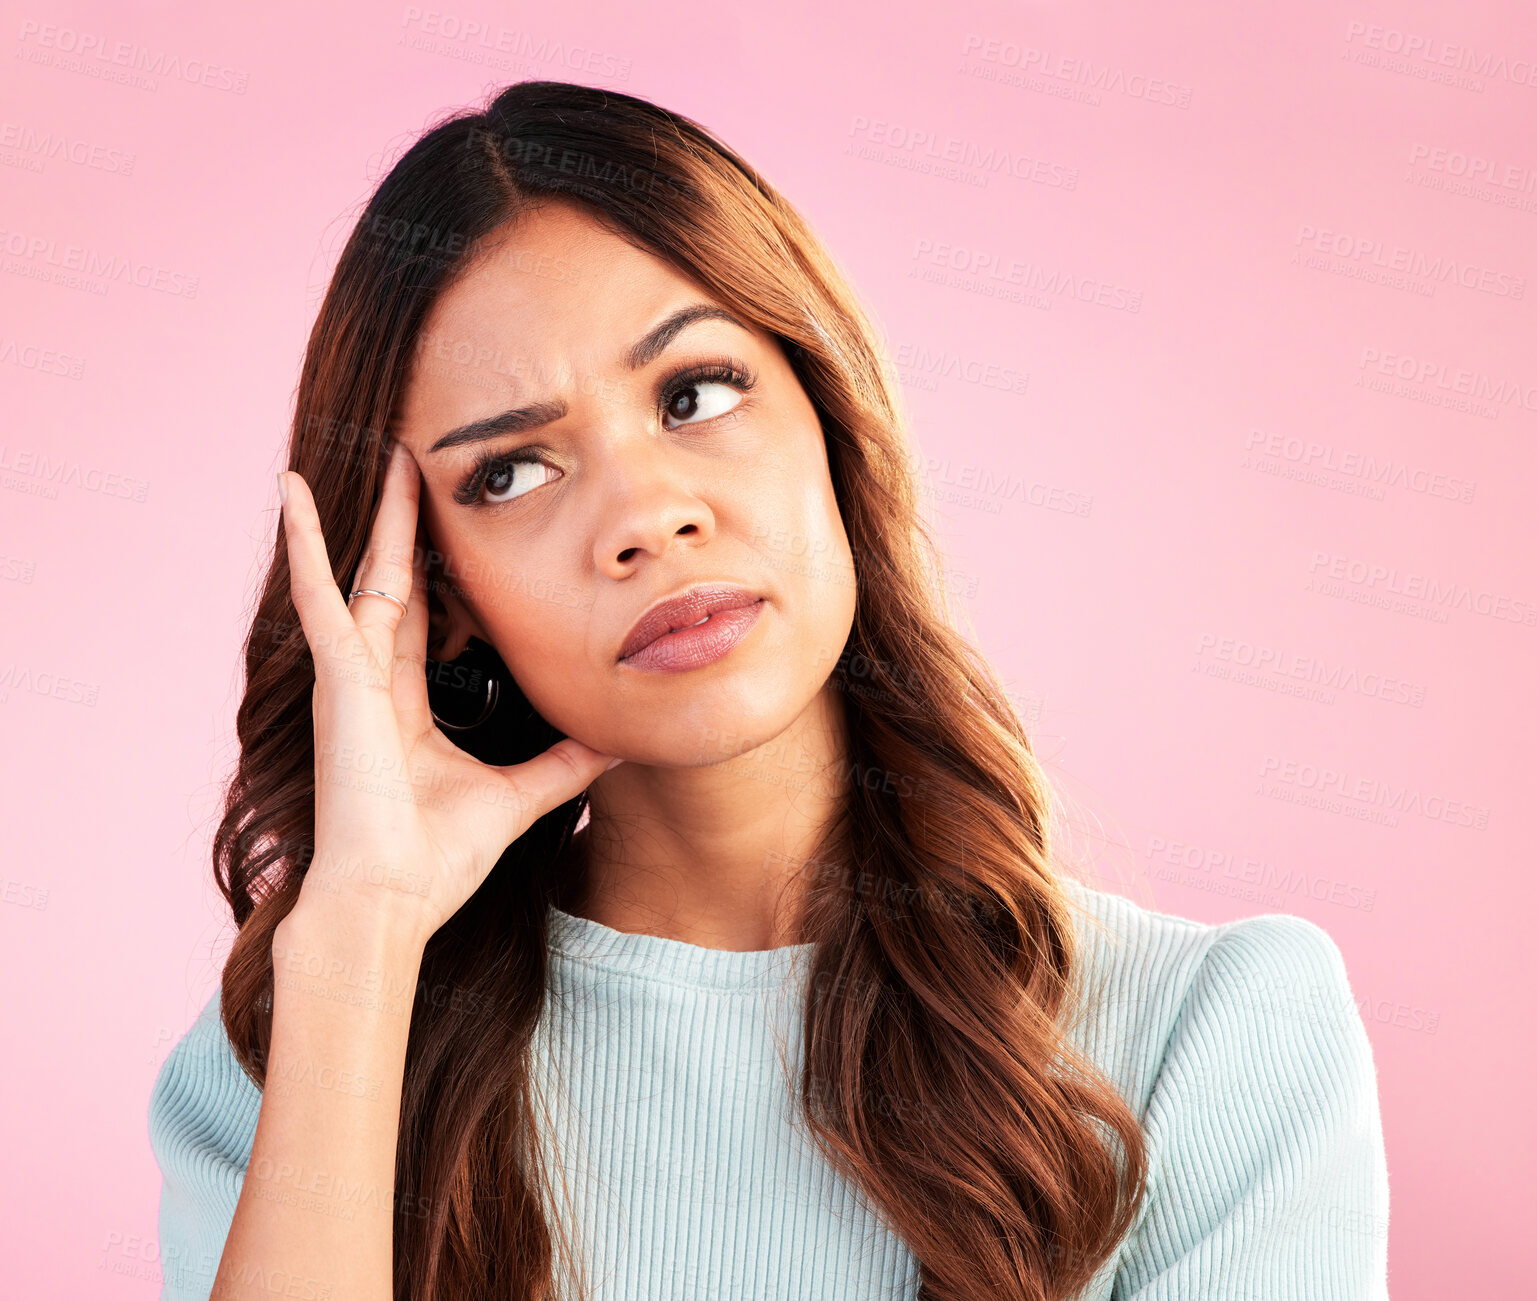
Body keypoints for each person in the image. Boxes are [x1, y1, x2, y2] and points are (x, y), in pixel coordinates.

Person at [147, 80, 1390, 1301]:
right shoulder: (294, 1053)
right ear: (437, 589)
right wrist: (359, 937)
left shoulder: (1209, 1036)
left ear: (830, 416)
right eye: (514, 471)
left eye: (694, 394)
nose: (644, 516)